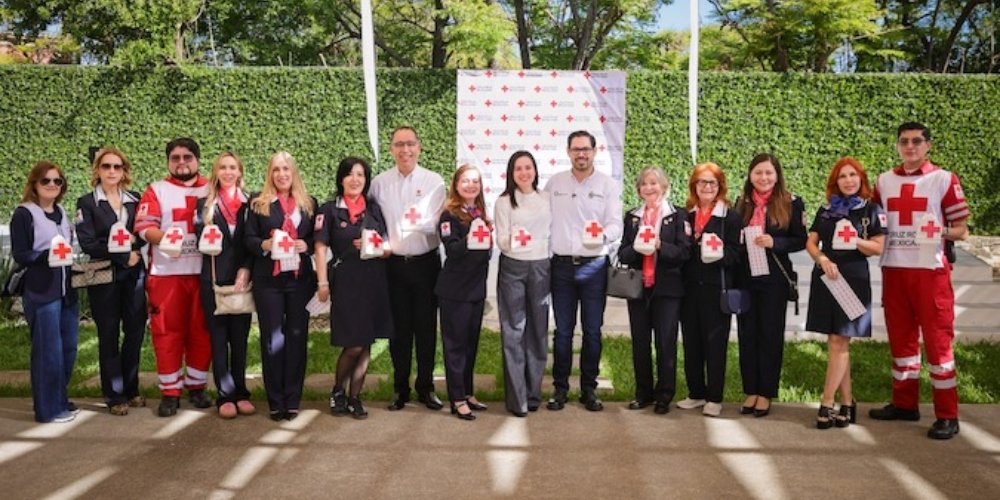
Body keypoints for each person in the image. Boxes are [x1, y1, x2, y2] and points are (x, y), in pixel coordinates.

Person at [869, 122, 969, 440]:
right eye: (903, 141)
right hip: (895, 269)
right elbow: (873, 223)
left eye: (916, 141)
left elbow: (961, 229)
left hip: (931, 272)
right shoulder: (883, 181)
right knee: (901, 341)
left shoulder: (944, 179)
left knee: (939, 344)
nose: (909, 146)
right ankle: (904, 403)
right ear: (897, 145)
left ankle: (947, 415)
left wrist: (937, 232)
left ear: (928, 144)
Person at [369, 126, 447, 411]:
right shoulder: (379, 183)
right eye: (399, 145)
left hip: (426, 264)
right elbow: (373, 222)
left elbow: (439, 223)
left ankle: (426, 387)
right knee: (398, 330)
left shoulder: (434, 181)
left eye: (410, 144)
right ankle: (400, 389)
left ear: (419, 147)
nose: (405, 150)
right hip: (393, 266)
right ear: (391, 149)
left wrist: (416, 225)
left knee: (426, 328)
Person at [134, 138, 213, 417]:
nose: (181, 162)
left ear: (197, 160)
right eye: (175, 158)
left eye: (187, 157)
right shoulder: (157, 190)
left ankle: (197, 386)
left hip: (203, 273)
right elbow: (143, 226)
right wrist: (164, 238)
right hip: (167, 274)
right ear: (169, 161)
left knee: (202, 332)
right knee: (167, 333)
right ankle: (170, 391)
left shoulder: (211, 187)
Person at [805, 157, 885, 429]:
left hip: (852, 278)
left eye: (853, 175)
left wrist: (856, 240)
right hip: (827, 277)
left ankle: (827, 402)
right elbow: (811, 242)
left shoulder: (871, 209)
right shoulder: (826, 209)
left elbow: (878, 247)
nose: (848, 180)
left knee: (840, 340)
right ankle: (848, 403)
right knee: (837, 342)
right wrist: (822, 259)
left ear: (861, 179)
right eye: (842, 176)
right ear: (835, 182)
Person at [546, 130, 623, 412]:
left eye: (586, 149)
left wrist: (601, 235)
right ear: (568, 152)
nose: (581, 154)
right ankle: (560, 388)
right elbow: (540, 217)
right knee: (563, 331)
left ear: (594, 151)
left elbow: (617, 225)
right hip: (562, 266)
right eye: (576, 149)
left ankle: (589, 389)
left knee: (592, 331)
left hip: (594, 267)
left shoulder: (607, 185)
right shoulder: (555, 183)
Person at [314, 157, 393, 420]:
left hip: (375, 280)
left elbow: (386, 245)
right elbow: (320, 246)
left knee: (366, 341)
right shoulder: (329, 209)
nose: (355, 179)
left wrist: (377, 247)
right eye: (350, 174)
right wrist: (322, 282)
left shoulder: (374, 209)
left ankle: (354, 397)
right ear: (341, 178)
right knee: (355, 342)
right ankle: (338, 390)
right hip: (347, 281)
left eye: (360, 174)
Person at [245, 151, 318, 422]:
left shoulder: (309, 204)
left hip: (299, 280)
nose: (281, 174)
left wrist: (306, 244)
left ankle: (293, 398)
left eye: (286, 169)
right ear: (270, 173)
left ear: (294, 172)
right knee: (273, 339)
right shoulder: (258, 204)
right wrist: (264, 244)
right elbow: (248, 239)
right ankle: (276, 401)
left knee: (297, 337)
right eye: (276, 169)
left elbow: (316, 237)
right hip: (269, 280)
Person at [75, 147, 146, 416]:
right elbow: (88, 243)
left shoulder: (135, 199)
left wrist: (134, 249)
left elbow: (141, 232)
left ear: (124, 171)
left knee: (135, 332)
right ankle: (114, 395)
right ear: (97, 170)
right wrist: (121, 255)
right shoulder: (87, 202)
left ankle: (132, 388)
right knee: (108, 335)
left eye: (117, 167)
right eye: (106, 166)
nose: (112, 171)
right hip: (104, 276)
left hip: (134, 275)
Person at [735, 153, 807, 418]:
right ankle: (750, 389)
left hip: (774, 279)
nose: (763, 178)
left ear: (777, 175)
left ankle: (765, 392)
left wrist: (775, 243)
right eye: (758, 173)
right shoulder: (741, 203)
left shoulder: (791, 203)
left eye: (768, 173)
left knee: (770, 334)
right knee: (747, 333)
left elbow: (801, 240)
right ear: (750, 175)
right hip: (746, 276)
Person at [618, 167, 690, 415]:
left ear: (664, 186)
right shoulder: (632, 217)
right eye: (644, 184)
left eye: (654, 183)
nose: (649, 188)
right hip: (638, 288)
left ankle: (664, 395)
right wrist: (638, 246)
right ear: (638, 190)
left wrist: (659, 245)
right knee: (640, 342)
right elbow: (623, 253)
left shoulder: (678, 215)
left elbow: (684, 252)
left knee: (665, 342)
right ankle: (643, 393)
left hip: (667, 289)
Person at [11, 162, 79, 423]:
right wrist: (46, 256)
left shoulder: (61, 211)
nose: (52, 185)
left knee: (68, 348)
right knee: (47, 350)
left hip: (67, 291)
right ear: (34, 185)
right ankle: (48, 409)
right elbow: (20, 254)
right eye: (46, 181)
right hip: (42, 291)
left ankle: (59, 398)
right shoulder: (24, 214)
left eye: (57, 181)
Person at [678, 162, 743, 418]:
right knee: (691, 342)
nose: (706, 187)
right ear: (694, 185)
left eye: (712, 183)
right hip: (689, 288)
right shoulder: (685, 214)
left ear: (720, 187)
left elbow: (737, 254)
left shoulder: (730, 217)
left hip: (717, 289)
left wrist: (719, 254)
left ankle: (714, 397)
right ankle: (696, 393)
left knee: (715, 344)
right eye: (701, 182)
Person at [194, 152, 255, 419]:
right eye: (223, 167)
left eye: (233, 167)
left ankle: (241, 391)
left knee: (240, 339)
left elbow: (253, 240)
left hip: (241, 278)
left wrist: (247, 269)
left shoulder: (251, 203)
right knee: (219, 339)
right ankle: (225, 394)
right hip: (213, 278)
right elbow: (200, 239)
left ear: (240, 172)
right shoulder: (204, 204)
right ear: (215, 172)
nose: (228, 172)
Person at [494, 151, 551, 417]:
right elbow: (502, 241)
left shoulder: (546, 199)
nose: (524, 173)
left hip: (541, 266)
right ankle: (517, 398)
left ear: (535, 171)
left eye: (528, 167)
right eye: (518, 168)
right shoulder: (504, 202)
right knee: (514, 329)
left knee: (538, 329)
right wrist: (514, 240)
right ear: (511, 172)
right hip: (513, 268)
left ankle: (533, 392)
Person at [435, 165, 492, 421]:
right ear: (456, 184)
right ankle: (456, 398)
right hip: (455, 291)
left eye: (475, 181)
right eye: (466, 181)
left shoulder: (480, 213)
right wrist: (473, 235)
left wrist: (485, 233)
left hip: (476, 289)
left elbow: (486, 254)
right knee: (455, 346)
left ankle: (468, 392)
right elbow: (453, 250)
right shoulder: (449, 215)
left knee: (471, 345)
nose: (471, 185)